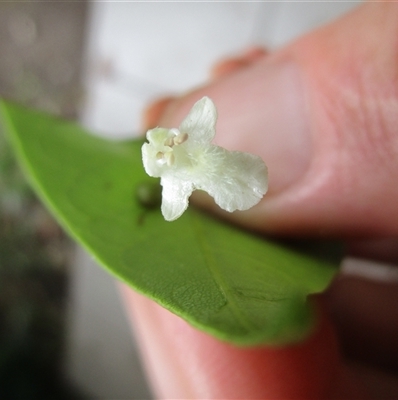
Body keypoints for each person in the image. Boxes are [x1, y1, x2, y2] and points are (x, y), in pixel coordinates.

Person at [120, 3, 398, 398]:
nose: (163, 146)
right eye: (161, 151)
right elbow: (173, 196)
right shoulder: (175, 183)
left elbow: (202, 120)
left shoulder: (192, 140)